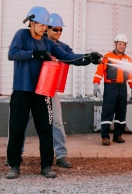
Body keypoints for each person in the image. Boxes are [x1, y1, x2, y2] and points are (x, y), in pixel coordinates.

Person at [5, 6, 102, 179]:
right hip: (21, 90)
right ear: (32, 22)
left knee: (45, 129)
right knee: (17, 129)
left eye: (46, 26)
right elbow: (12, 54)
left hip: (42, 92)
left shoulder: (49, 43)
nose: (45, 28)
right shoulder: (21, 35)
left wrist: (87, 57)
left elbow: (68, 57)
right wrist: (35, 53)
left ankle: (46, 165)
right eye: (42, 25)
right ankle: (14, 165)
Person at [19, 13, 86, 169]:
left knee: (56, 122)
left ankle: (61, 155)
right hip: (28, 89)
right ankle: (16, 155)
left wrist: (88, 57)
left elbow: (72, 57)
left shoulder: (61, 47)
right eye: (55, 29)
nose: (58, 32)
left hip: (48, 90)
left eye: (60, 30)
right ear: (46, 28)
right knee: (21, 122)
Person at [93, 34, 132, 146]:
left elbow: (131, 75)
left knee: (121, 112)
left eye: (124, 44)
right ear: (115, 44)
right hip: (110, 87)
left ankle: (118, 135)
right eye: (120, 44)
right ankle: (105, 136)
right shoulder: (107, 57)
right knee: (108, 112)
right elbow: (99, 71)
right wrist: (96, 84)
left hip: (122, 87)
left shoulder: (128, 59)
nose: (121, 46)